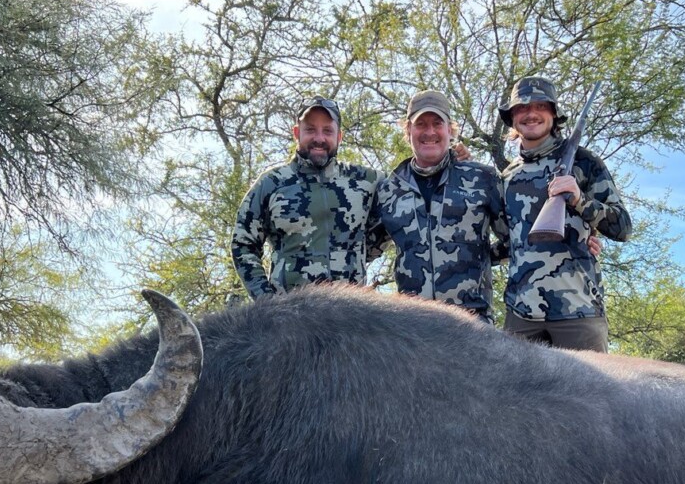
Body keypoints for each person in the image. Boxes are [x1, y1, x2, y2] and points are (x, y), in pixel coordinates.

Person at [498, 76, 631, 352]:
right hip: (521, 314)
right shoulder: (507, 176)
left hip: (579, 314)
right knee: (516, 397)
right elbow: (511, 242)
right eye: (522, 107)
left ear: (554, 114)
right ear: (512, 117)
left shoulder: (584, 162)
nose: (531, 113)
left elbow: (622, 228)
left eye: (540, 106)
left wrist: (580, 200)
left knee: (590, 396)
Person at [370, 90, 508, 322]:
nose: (430, 132)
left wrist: (482, 255)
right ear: (408, 131)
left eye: (437, 123)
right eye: (420, 124)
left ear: (450, 130)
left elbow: (516, 239)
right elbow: (365, 249)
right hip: (412, 328)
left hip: (472, 325)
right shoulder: (389, 189)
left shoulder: (483, 179)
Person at [231, 95, 381, 299]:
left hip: (352, 316)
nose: (319, 138)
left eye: (327, 131)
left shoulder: (367, 182)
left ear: (339, 137)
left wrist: (357, 256)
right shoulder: (272, 183)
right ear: (296, 133)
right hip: (291, 320)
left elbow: (389, 226)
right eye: (310, 129)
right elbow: (243, 243)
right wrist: (267, 301)